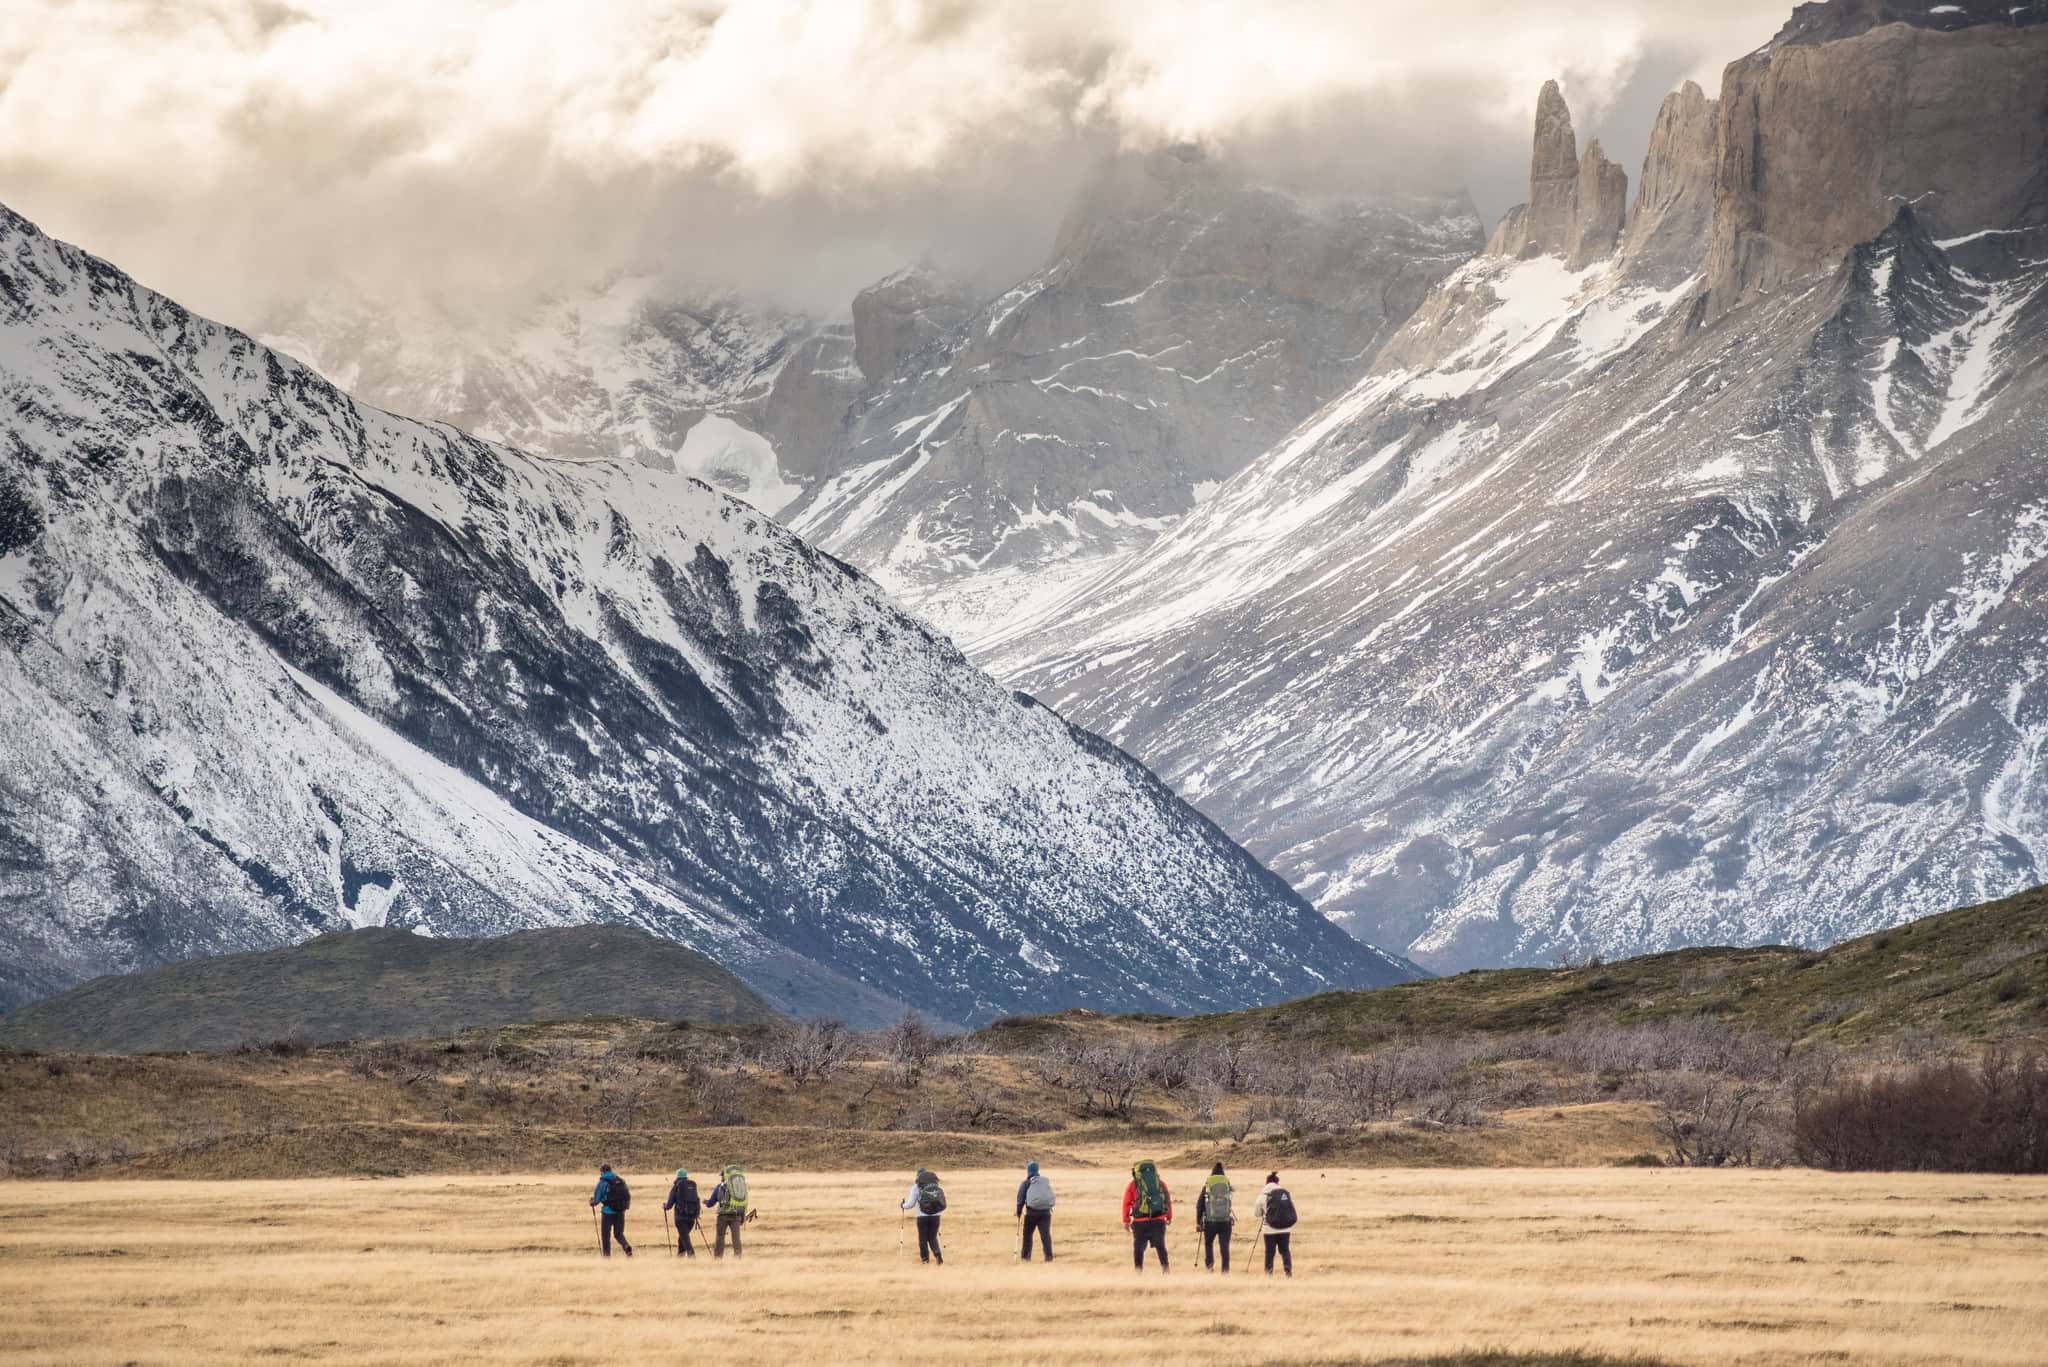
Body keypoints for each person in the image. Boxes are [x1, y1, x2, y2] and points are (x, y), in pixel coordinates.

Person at [1121, 1159, 1172, 1272]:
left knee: (1138, 1248)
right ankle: (1166, 1270)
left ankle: (1138, 1272)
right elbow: (1167, 1200)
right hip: (1158, 1220)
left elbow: (1126, 1203)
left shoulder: (1133, 1184)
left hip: (1140, 1222)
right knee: (1160, 1247)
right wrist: (1169, 1216)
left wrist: (1126, 1220)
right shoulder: (1160, 1183)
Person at [1251, 1171, 1295, 1277]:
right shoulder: (1284, 1194)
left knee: (1270, 1252)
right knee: (1285, 1250)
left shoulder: (1263, 1196)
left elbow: (1257, 1214)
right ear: (1277, 1182)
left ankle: (1269, 1272)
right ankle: (1288, 1270)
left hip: (1269, 1229)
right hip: (1285, 1228)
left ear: (1266, 1182)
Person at [901, 1167, 946, 1265]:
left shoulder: (916, 1187)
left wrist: (902, 1205)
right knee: (932, 1237)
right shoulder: (935, 1185)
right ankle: (938, 1255)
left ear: (918, 1176)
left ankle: (925, 1260)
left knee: (923, 1239)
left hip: (922, 1216)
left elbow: (910, 1204)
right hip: (936, 1216)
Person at [589, 1163, 633, 1258]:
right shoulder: (621, 1181)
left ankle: (607, 1256)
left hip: (607, 1212)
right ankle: (626, 1246)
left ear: (602, 1172)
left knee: (605, 1235)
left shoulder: (602, 1183)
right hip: (621, 1212)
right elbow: (627, 1195)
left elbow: (596, 1200)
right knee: (618, 1234)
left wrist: (592, 1202)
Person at [1196, 1162, 1233, 1273]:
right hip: (1225, 1220)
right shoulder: (1226, 1184)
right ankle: (1225, 1270)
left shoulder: (1208, 1184)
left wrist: (1198, 1222)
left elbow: (1200, 1204)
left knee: (1208, 1244)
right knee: (1224, 1246)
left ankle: (1209, 1267)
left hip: (1210, 1221)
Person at [1015, 1160, 1054, 1261]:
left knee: (1027, 1235)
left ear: (1028, 1170)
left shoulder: (1026, 1183)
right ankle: (1049, 1257)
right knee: (1045, 1235)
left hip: (1031, 1213)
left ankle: (1025, 1257)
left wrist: (1018, 1212)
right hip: (1046, 1212)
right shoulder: (1044, 1181)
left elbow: (1020, 1199)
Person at [706, 1163, 747, 1259]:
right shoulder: (739, 1186)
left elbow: (710, 1203)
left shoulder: (719, 1187)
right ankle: (738, 1256)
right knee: (736, 1238)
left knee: (720, 1236)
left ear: (724, 1175)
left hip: (723, 1215)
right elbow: (742, 1201)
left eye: (721, 1175)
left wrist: (706, 1202)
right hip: (736, 1214)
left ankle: (718, 1257)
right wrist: (742, 1216)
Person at [661, 1167, 700, 1257]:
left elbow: (670, 1204)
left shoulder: (676, 1186)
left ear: (677, 1176)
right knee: (683, 1236)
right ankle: (680, 1255)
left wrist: (665, 1207)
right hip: (692, 1217)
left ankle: (691, 1255)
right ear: (686, 1176)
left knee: (684, 1237)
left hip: (680, 1217)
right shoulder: (692, 1185)